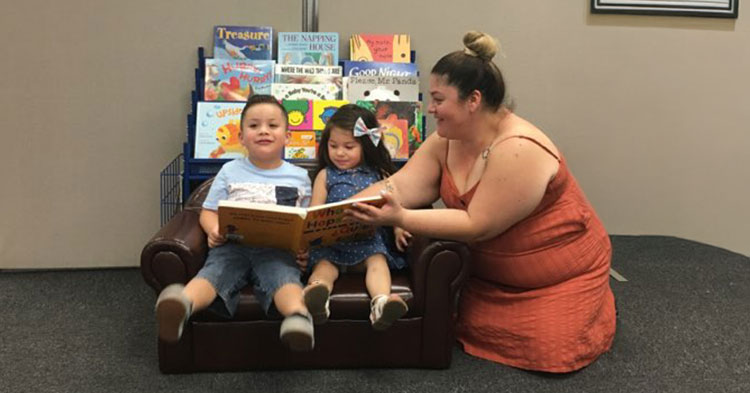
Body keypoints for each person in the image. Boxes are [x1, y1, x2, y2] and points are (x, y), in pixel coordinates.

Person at [347, 31, 616, 373]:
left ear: (472, 100)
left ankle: (594, 303)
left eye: (439, 99)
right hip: (490, 277)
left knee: (549, 350)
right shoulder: (446, 139)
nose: (430, 108)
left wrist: (399, 217)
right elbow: (399, 185)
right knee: (464, 330)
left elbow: (477, 224)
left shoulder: (519, 148)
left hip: (558, 278)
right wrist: (332, 213)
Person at [154, 94, 316, 351]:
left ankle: (298, 317)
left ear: (287, 136)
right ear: (241, 138)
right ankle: (182, 305)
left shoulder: (300, 177)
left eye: (272, 125)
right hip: (232, 246)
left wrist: (304, 248)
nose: (263, 131)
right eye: (254, 126)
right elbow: (207, 212)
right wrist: (214, 229)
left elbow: (306, 222)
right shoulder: (229, 171)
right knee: (215, 273)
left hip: (276, 250)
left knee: (284, 276)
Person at [302, 104, 411, 331]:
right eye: (333, 146)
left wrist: (399, 229)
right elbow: (313, 211)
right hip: (332, 244)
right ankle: (317, 296)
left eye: (349, 146)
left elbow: (395, 208)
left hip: (368, 242)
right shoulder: (325, 175)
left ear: (367, 145)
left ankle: (381, 303)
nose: (340, 153)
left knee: (378, 262)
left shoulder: (380, 175)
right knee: (323, 266)